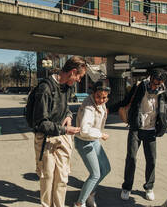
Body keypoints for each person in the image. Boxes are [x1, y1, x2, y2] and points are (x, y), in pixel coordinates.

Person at [108, 68, 167, 201]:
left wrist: (164, 123)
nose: (155, 85)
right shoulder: (140, 87)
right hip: (136, 128)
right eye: (154, 82)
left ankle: (149, 187)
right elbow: (125, 101)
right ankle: (127, 187)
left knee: (151, 159)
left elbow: (165, 109)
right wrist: (107, 108)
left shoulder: (163, 91)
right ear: (151, 78)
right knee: (131, 157)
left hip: (151, 130)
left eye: (158, 83)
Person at [33, 55, 86, 207]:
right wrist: (65, 129)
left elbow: (65, 108)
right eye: (79, 77)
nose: (79, 80)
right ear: (73, 72)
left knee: (62, 178)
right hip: (46, 138)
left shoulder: (67, 87)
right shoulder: (45, 88)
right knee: (47, 178)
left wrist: (69, 116)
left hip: (63, 136)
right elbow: (40, 123)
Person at [73, 81, 111, 207]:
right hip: (84, 142)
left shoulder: (102, 104)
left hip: (93, 140)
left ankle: (89, 193)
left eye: (104, 97)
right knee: (95, 174)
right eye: (98, 96)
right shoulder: (88, 107)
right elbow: (84, 130)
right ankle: (79, 203)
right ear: (93, 93)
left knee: (105, 169)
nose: (101, 100)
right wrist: (100, 134)